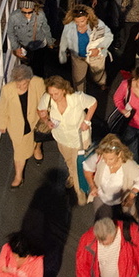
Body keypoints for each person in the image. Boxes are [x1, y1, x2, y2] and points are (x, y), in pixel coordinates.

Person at [38, 75, 98, 204]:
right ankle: (73, 175)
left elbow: (93, 103)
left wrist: (86, 121)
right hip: (62, 138)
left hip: (79, 138)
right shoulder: (47, 98)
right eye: (51, 93)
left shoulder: (77, 98)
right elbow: (40, 110)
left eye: (56, 93)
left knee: (79, 166)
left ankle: (80, 193)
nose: (54, 97)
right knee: (69, 161)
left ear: (64, 90)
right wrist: (46, 120)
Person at [0, 65, 47, 188]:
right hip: (17, 125)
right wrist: (2, 124)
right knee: (19, 152)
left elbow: (44, 99)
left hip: (35, 120)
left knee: (37, 136)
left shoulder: (37, 82)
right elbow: (3, 108)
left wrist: (45, 114)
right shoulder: (7, 90)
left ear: (29, 80)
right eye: (18, 84)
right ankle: (18, 176)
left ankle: (37, 148)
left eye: (24, 84)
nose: (21, 87)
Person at [83, 132, 139, 221]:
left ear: (119, 154)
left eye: (111, 159)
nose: (106, 162)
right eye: (104, 158)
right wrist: (92, 186)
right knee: (103, 223)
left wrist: (132, 195)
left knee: (130, 221)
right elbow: (87, 169)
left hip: (124, 198)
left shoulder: (129, 165)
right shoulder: (99, 157)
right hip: (102, 197)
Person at [74, 217, 139, 277]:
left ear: (115, 230)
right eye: (100, 242)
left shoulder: (130, 232)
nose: (103, 244)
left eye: (107, 242)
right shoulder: (87, 239)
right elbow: (82, 266)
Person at [6, 0, 55, 76]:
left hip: (39, 45)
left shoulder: (40, 15)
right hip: (24, 46)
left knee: (39, 69)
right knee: (25, 71)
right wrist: (16, 47)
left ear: (33, 8)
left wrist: (50, 42)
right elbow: (10, 32)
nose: (27, 14)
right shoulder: (14, 17)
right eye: (24, 12)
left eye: (29, 12)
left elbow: (46, 29)